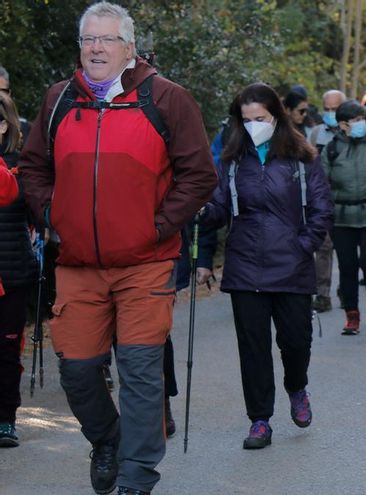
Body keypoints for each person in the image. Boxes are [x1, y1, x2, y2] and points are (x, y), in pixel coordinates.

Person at [17, 3, 218, 494]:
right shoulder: (59, 100)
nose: (97, 48)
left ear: (129, 46)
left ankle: (136, 476)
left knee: (141, 371)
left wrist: (156, 227)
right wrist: (52, 216)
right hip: (78, 264)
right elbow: (34, 169)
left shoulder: (167, 99)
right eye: (89, 39)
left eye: (107, 39)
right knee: (79, 372)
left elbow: (199, 176)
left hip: (146, 263)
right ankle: (107, 440)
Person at [202, 83, 333, 449]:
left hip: (292, 266)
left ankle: (297, 387)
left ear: (276, 115)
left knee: (295, 342)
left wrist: (302, 245)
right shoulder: (229, 162)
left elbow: (322, 208)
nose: (252, 125)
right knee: (253, 348)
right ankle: (259, 420)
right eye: (245, 120)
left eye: (259, 118)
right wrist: (200, 211)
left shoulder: (302, 158)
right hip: (245, 266)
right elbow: (218, 209)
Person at [322, 99, 366, 335]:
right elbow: (321, 185)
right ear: (343, 125)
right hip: (341, 217)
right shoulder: (331, 150)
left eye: (363, 119)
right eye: (355, 121)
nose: (361, 124)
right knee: (347, 266)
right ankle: (351, 315)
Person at [0, 91, 38, 449]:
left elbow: (33, 210)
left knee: (6, 351)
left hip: (11, 272)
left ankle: (5, 419)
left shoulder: (21, 164)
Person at [309, 89, 346, 312]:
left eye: (336, 109)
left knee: (345, 247)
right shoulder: (314, 134)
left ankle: (346, 290)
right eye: (328, 109)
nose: (331, 113)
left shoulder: (354, 133)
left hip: (346, 199)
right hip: (321, 199)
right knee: (323, 246)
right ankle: (322, 294)